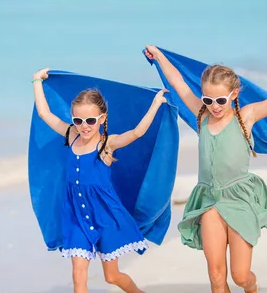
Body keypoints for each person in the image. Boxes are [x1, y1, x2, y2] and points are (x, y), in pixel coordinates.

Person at [144, 45, 267, 293]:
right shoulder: (202, 114)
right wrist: (160, 56)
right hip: (209, 200)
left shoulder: (246, 116)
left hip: (239, 200)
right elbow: (178, 83)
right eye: (208, 100)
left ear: (235, 94)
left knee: (240, 276)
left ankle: (252, 288)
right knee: (217, 277)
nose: (214, 106)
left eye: (220, 100)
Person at [31, 67, 168, 293]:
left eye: (90, 120)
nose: (84, 125)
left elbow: (136, 133)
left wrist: (155, 105)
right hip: (75, 215)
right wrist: (37, 81)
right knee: (78, 274)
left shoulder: (106, 144)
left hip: (105, 214)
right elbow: (45, 114)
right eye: (78, 119)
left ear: (102, 118)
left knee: (112, 277)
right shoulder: (70, 135)